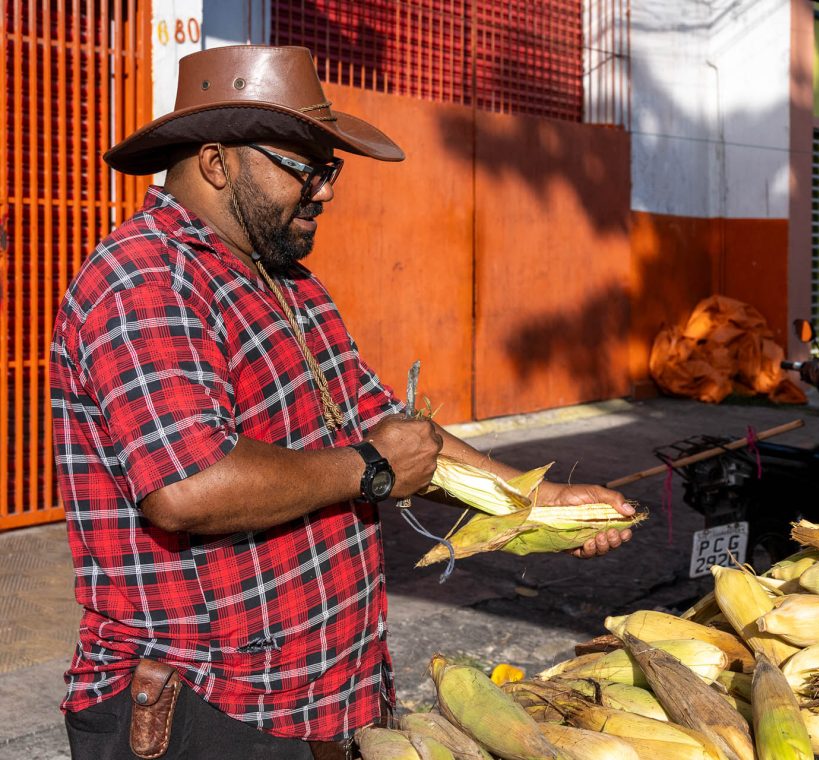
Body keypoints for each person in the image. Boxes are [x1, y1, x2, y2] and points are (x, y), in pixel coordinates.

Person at [50, 45, 633, 760]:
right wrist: (371, 468)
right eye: (307, 170)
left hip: (317, 696)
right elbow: (188, 487)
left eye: (332, 171)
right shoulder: (144, 280)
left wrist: (532, 503)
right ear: (215, 163)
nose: (325, 191)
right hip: (205, 705)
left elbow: (384, 424)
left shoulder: (288, 285)